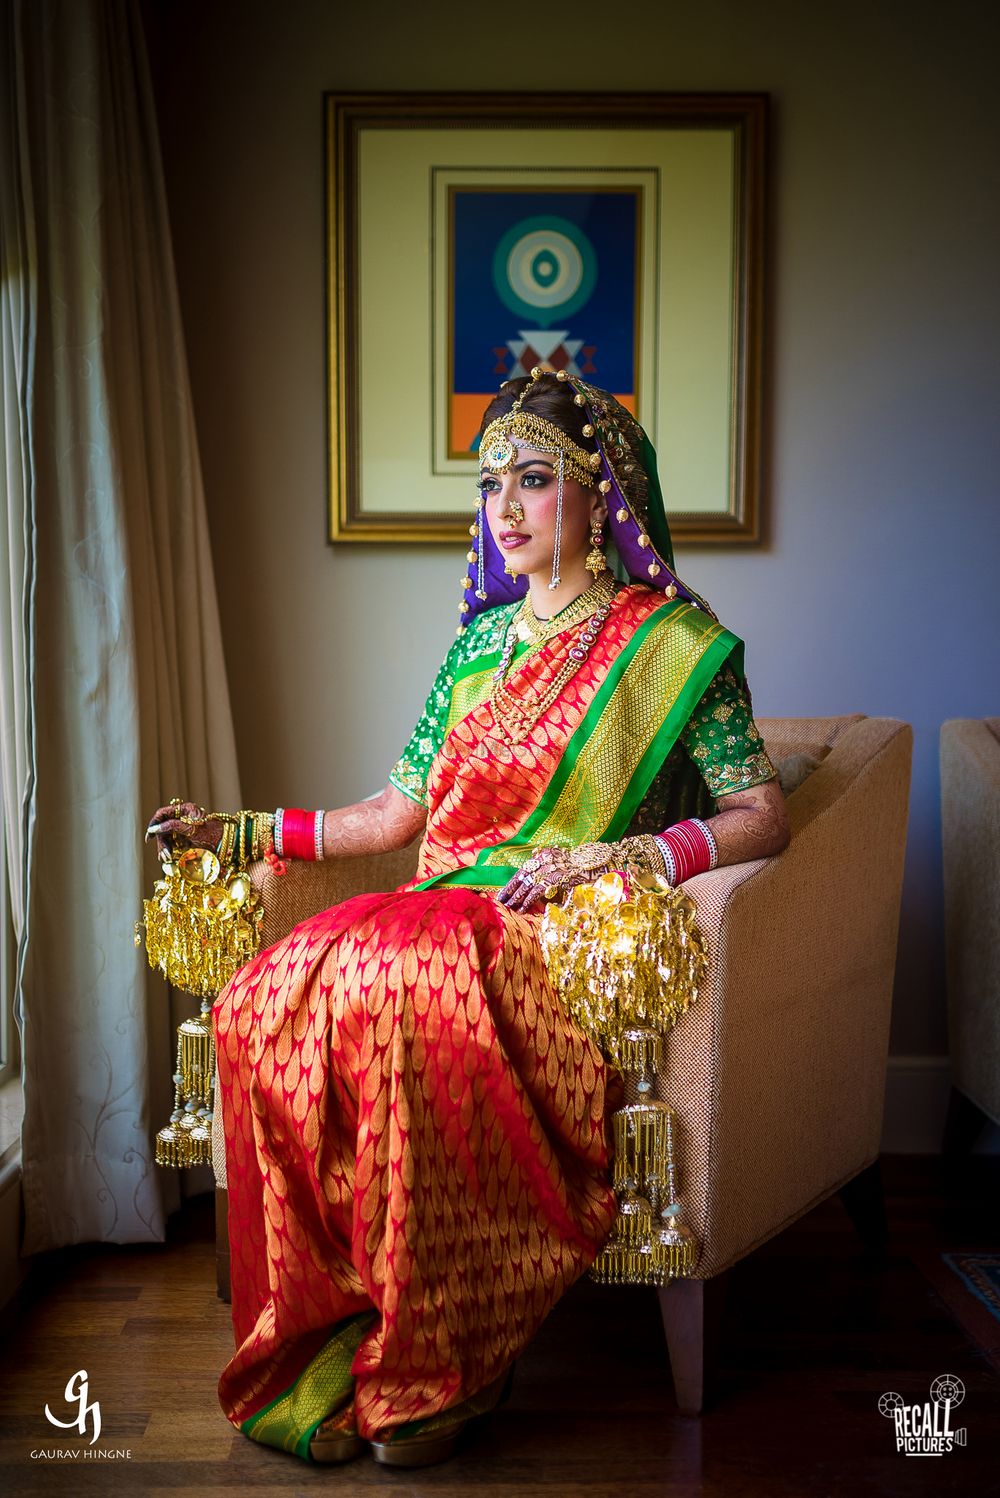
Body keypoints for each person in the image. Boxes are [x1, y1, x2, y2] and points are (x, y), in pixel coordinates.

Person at [148, 370, 789, 1469]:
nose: (504, 506)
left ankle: (444, 1356)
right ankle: (337, 1319)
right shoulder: (474, 650)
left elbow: (761, 814)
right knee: (264, 997)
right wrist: (241, 832)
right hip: (439, 903)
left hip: (556, 922)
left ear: (600, 500)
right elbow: (394, 813)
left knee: (406, 999)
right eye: (491, 483)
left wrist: (624, 853)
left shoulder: (672, 646)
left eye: (533, 479)